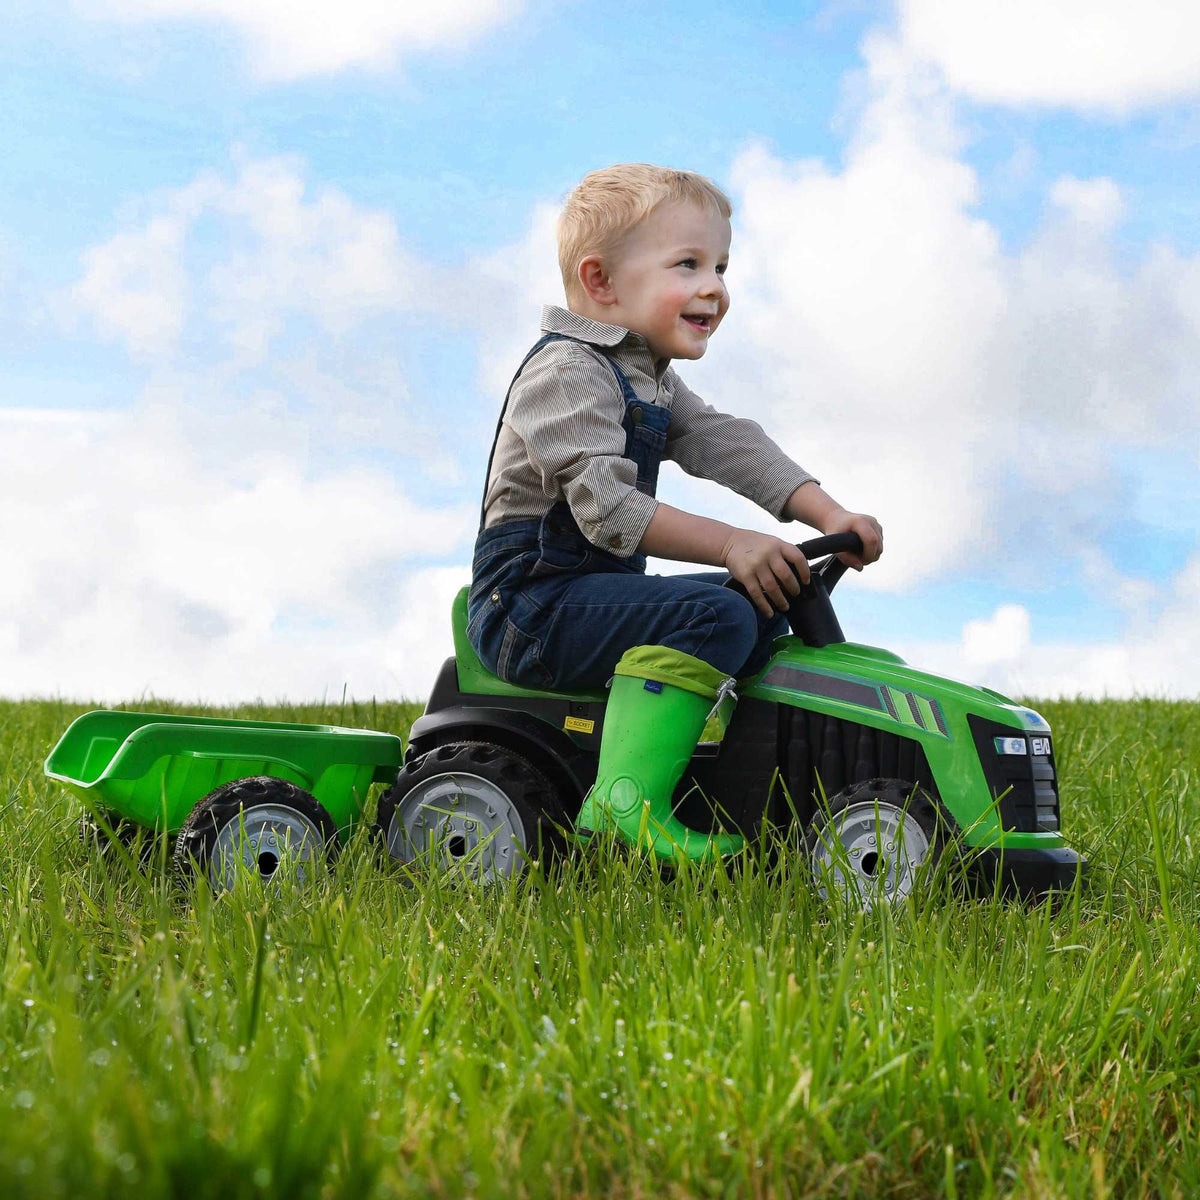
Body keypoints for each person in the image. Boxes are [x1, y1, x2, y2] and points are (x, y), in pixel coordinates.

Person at [468, 163, 883, 860]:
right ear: (601, 282)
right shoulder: (566, 371)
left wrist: (828, 512)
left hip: (586, 598)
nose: (715, 286)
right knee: (720, 607)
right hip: (529, 609)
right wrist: (730, 544)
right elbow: (605, 508)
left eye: (720, 265)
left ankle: (716, 770)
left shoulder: (647, 374)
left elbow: (727, 443)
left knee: (758, 598)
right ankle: (625, 805)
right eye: (687, 264)